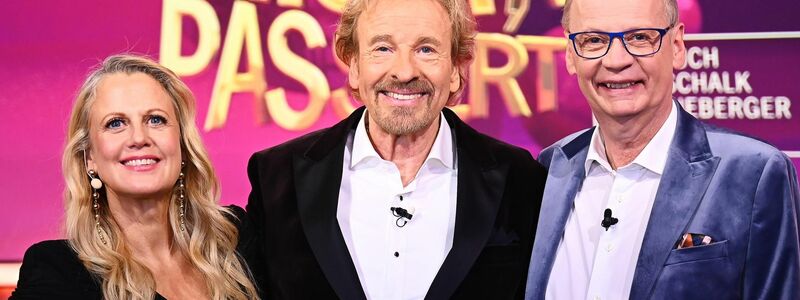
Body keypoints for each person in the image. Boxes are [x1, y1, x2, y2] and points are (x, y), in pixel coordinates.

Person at [241, 0, 547, 298]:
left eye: (426, 50)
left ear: (456, 68)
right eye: (383, 48)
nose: (404, 72)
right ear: (354, 65)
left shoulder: (519, 179)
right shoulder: (278, 177)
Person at [524, 0, 800, 299]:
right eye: (594, 41)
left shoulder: (753, 173)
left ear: (677, 46)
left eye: (639, 37)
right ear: (570, 54)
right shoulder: (548, 168)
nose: (616, 60)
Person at [11, 55, 259, 300]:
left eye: (156, 120)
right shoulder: (58, 271)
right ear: (89, 157)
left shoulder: (234, 239)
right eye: (115, 123)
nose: (139, 138)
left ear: (182, 145)